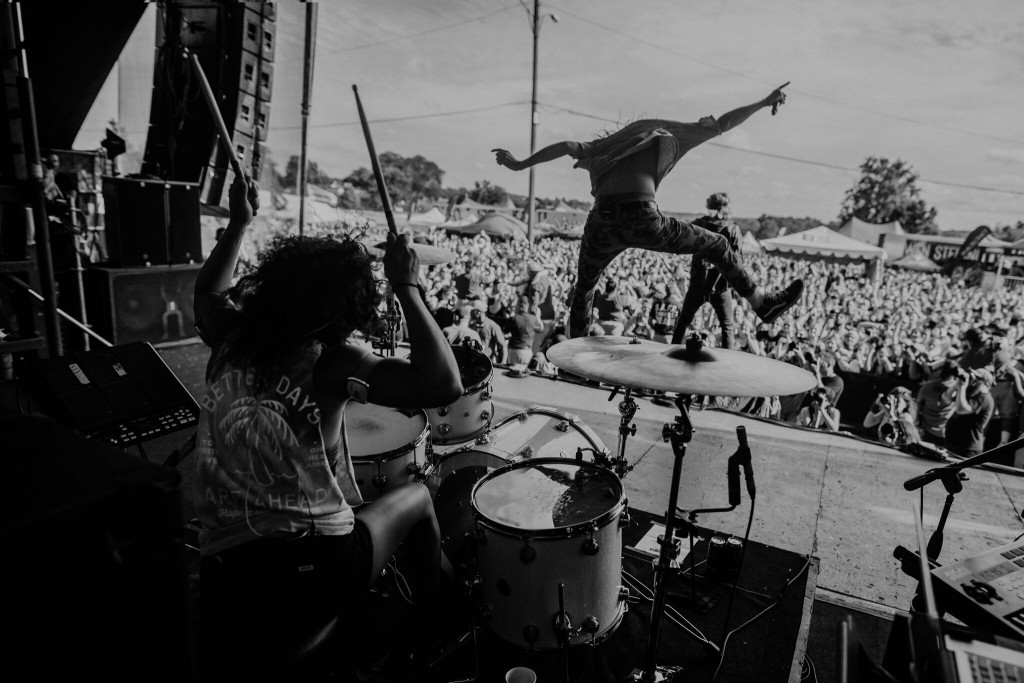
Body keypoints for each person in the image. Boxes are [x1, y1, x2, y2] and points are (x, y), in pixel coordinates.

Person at [192, 175, 463, 677]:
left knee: (348, 498)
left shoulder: (230, 335)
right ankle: (439, 618)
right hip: (307, 570)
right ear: (348, 303)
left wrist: (238, 224)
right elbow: (443, 384)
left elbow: (209, 290)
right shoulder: (331, 361)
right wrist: (408, 286)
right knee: (419, 498)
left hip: (225, 568)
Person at [492, 85, 803, 339]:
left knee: (584, 289)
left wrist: (519, 164)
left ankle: (576, 357)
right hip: (643, 218)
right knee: (718, 244)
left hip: (601, 222)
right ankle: (762, 303)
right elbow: (724, 124)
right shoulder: (669, 135)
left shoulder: (604, 146)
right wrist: (764, 101)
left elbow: (565, 147)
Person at [672, 192, 740, 347]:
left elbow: (683, 243)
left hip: (698, 282)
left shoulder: (699, 224)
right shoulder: (733, 230)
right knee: (727, 327)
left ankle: (671, 354)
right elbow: (737, 261)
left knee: (682, 323)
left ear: (710, 207)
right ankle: (727, 363)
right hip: (721, 287)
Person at [945, 367, 995, 458]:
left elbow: (961, 410)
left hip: (967, 449)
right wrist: (958, 383)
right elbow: (947, 398)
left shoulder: (984, 398)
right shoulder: (970, 393)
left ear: (984, 383)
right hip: (955, 444)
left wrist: (961, 387)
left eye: (976, 378)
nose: (973, 380)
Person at [915, 360, 961, 448]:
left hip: (926, 429)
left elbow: (919, 403)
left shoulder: (927, 385)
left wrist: (917, 421)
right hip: (943, 434)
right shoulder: (956, 389)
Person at [508, 294, 543, 367]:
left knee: (511, 375)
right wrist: (538, 317)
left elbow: (506, 332)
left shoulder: (514, 319)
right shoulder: (533, 319)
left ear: (518, 305)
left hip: (513, 351)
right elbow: (541, 328)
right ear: (528, 306)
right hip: (525, 352)